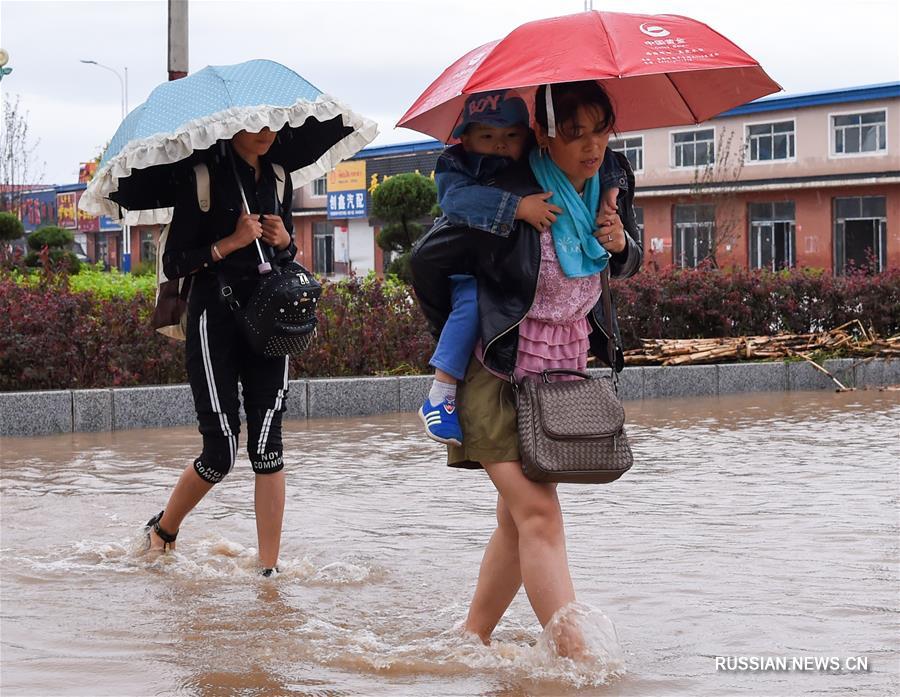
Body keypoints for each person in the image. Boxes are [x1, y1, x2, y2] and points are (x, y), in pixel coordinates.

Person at [410, 80, 643, 654]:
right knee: (539, 513)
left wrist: (620, 245)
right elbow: (427, 262)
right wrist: (457, 343)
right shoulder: (505, 192)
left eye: (600, 130)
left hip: (559, 376)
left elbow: (629, 261)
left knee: (517, 522)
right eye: (574, 132)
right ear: (543, 133)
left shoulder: (609, 186)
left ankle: (471, 640)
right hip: (496, 371)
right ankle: (574, 659)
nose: (591, 146)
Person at [419, 89, 626, 447]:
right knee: (470, 299)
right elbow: (448, 215)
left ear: (527, 137)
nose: (500, 145)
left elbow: (610, 165)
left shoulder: (589, 181)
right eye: (487, 136)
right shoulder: (465, 168)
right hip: (484, 295)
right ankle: (441, 391)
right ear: (465, 139)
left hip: (563, 348)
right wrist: (515, 208)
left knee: (538, 473)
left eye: (511, 136)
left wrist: (614, 191)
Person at [145, 127, 296, 577]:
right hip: (216, 320)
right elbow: (174, 262)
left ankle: (268, 571)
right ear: (234, 127)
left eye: (273, 124)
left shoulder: (280, 177)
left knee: (268, 445)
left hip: (271, 319)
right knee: (221, 451)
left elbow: (286, 259)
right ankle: (164, 530)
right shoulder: (201, 177)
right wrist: (230, 241)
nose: (267, 133)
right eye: (257, 125)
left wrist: (284, 241)